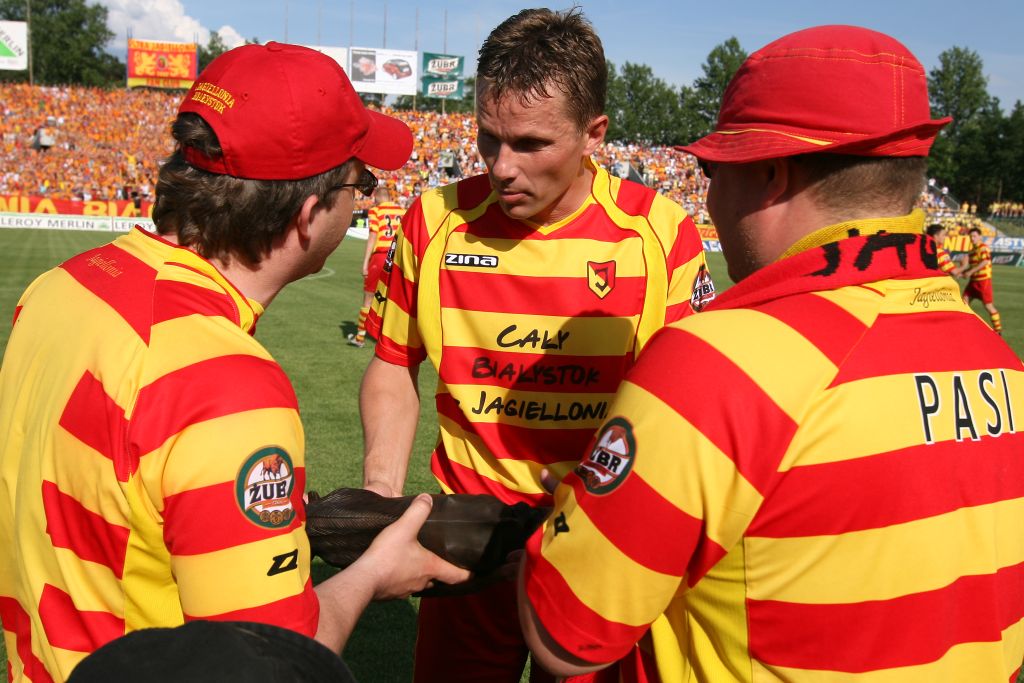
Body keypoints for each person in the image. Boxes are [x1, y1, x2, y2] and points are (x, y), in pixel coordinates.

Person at [518, 25, 1024, 681]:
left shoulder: (714, 365)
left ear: (768, 174)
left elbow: (566, 635)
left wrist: (575, 517)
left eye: (712, 171)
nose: (707, 196)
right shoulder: (1001, 362)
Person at [0, 42, 468, 683]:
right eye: (359, 185)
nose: (361, 203)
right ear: (308, 214)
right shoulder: (224, 385)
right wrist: (374, 574)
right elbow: (268, 659)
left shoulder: (60, 287)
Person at [361, 8, 713, 682]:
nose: (502, 166)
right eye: (488, 138)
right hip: (464, 539)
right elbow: (393, 363)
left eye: (529, 144)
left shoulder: (660, 234)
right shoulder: (433, 220)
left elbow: (688, 410)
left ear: (593, 134)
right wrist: (381, 494)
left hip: (596, 547)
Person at [348, 185, 404, 348]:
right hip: (397, 258)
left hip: (380, 257)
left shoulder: (376, 211)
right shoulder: (402, 211)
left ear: (378, 197)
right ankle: (391, 340)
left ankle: (360, 337)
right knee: (394, 301)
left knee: (369, 298)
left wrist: (365, 262)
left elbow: (373, 236)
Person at [960, 226, 1003, 334]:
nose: (972, 238)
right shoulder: (971, 251)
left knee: (988, 306)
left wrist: (970, 272)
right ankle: (964, 327)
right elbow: (972, 267)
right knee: (963, 303)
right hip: (973, 281)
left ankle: (998, 331)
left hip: (983, 281)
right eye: (971, 236)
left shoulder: (983, 247)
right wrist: (963, 272)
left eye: (974, 236)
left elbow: (985, 262)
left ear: (980, 237)